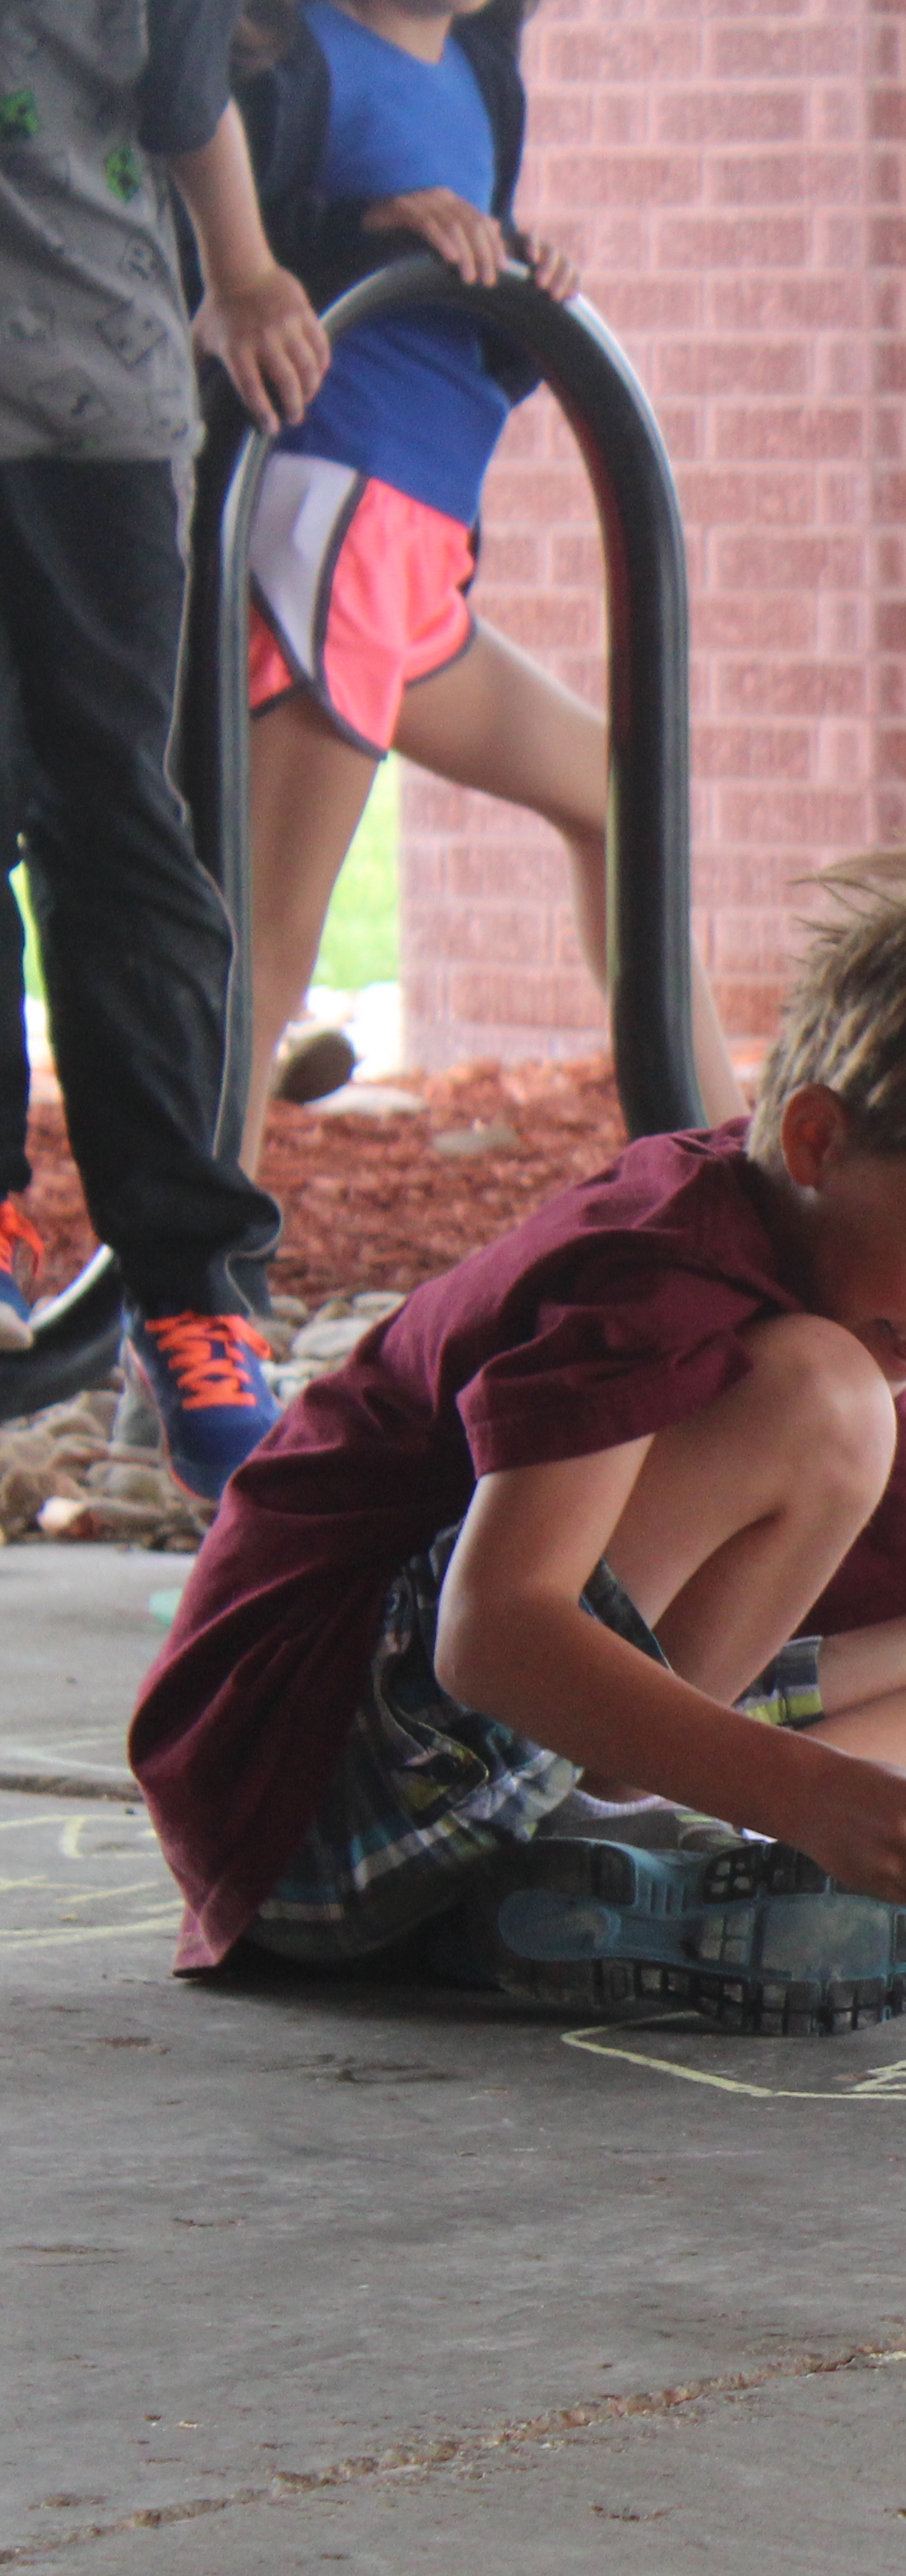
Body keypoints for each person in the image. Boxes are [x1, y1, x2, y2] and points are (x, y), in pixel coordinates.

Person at [132, 840, 906, 2032]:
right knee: (827, 1401)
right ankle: (620, 1847)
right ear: (817, 1141)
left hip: (452, 1776)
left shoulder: (835, 1291)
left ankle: (574, 1892)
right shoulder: (659, 1271)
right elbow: (495, 1634)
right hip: (296, 1793)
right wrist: (804, 1795)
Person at [228, 0, 745, 1154]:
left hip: (422, 553)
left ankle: (735, 1177)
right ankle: (200, 1298)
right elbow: (231, 256)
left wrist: (517, 279)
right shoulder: (288, 51)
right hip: (338, 520)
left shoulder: (478, 72)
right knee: (268, 940)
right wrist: (363, 225)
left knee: (621, 805)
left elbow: (459, 330)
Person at [0, 0, 331, 1500]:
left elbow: (192, 98)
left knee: (117, 830)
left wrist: (248, 272)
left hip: (95, 419)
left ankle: (192, 1289)